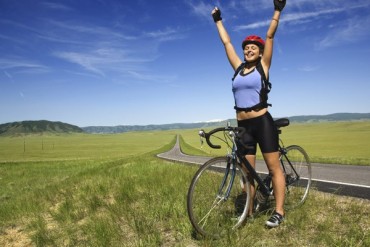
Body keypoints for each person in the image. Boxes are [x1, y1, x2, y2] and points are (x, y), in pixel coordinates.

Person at [211, 0, 287, 227]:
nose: (249, 49)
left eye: (254, 46)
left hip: (262, 122)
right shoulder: (237, 68)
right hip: (243, 125)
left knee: (273, 168)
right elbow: (226, 43)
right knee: (248, 172)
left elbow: (270, 36)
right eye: (246, 47)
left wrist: (277, 10)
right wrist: (218, 20)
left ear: (261, 51)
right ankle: (249, 211)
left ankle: (279, 212)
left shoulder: (264, 66)